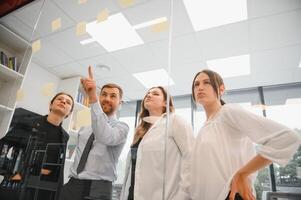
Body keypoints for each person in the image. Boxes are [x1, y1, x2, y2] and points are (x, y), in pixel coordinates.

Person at [189, 69, 301, 200]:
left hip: (231, 195)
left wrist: (242, 174)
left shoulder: (228, 112)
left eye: (206, 82)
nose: (200, 87)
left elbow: (287, 138)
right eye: (196, 84)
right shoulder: (204, 127)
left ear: (221, 89)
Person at [59, 66, 129, 200]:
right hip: (73, 184)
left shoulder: (122, 127)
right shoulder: (85, 127)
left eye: (113, 96)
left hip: (98, 188)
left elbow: (104, 136)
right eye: (103, 94)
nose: (107, 98)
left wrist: (92, 96)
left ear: (120, 103)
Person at [120, 86, 194, 200]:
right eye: (147, 93)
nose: (148, 95)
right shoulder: (140, 130)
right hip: (133, 194)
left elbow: (191, 158)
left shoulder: (175, 121)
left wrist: (182, 196)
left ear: (165, 103)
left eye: (155, 93)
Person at [0, 92, 74, 200]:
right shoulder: (28, 124)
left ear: (69, 113)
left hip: (42, 190)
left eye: (68, 102)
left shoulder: (64, 136)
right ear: (51, 105)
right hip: (16, 187)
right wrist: (12, 174)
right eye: (60, 99)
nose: (63, 101)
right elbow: (3, 147)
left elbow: (59, 167)